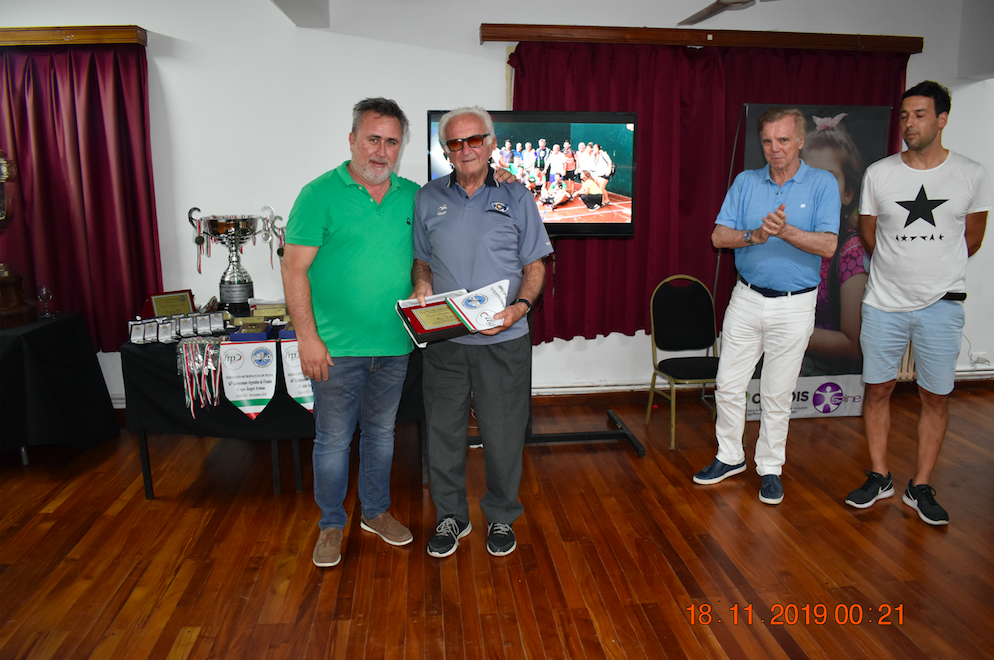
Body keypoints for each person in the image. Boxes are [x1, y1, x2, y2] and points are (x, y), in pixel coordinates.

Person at [845, 81, 991, 525]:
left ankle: (921, 485)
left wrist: (932, 274)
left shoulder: (971, 173)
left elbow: (973, 238)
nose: (910, 123)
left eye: (920, 115)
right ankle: (879, 476)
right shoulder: (879, 173)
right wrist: (897, 270)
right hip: (883, 303)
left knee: (936, 396)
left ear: (942, 119)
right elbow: (868, 232)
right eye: (905, 115)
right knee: (878, 389)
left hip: (942, 306)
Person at [282, 97, 418, 568]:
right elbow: (294, 269)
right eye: (373, 139)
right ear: (352, 140)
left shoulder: (413, 196)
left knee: (381, 435)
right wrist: (307, 338)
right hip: (335, 349)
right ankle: (331, 524)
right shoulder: (318, 194)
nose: (381, 151)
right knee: (334, 441)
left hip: (395, 345)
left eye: (392, 142)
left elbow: (426, 254)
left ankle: (375, 513)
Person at [412, 106, 553, 558]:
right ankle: (451, 517)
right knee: (443, 432)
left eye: (475, 140)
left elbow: (535, 266)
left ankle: (501, 516)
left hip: (504, 340)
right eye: (455, 143)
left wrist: (520, 308)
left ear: (491, 144)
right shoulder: (427, 197)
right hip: (446, 341)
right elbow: (422, 259)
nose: (466, 149)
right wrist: (421, 284)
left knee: (504, 433)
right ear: (445, 150)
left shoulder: (517, 195)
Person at [692, 107, 840, 505]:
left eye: (784, 140)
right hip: (746, 297)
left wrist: (785, 231)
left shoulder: (822, 183)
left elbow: (828, 245)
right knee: (728, 385)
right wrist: (754, 236)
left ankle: (770, 468)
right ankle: (730, 456)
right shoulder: (745, 181)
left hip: (795, 305)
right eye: (768, 141)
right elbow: (719, 236)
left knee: (777, 394)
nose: (775, 149)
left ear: (801, 141)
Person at [799, 116, 868, 376]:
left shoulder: (851, 252)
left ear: (848, 192)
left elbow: (854, 345)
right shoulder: (787, 236)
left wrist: (783, 332)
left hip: (825, 384)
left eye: (828, 178)